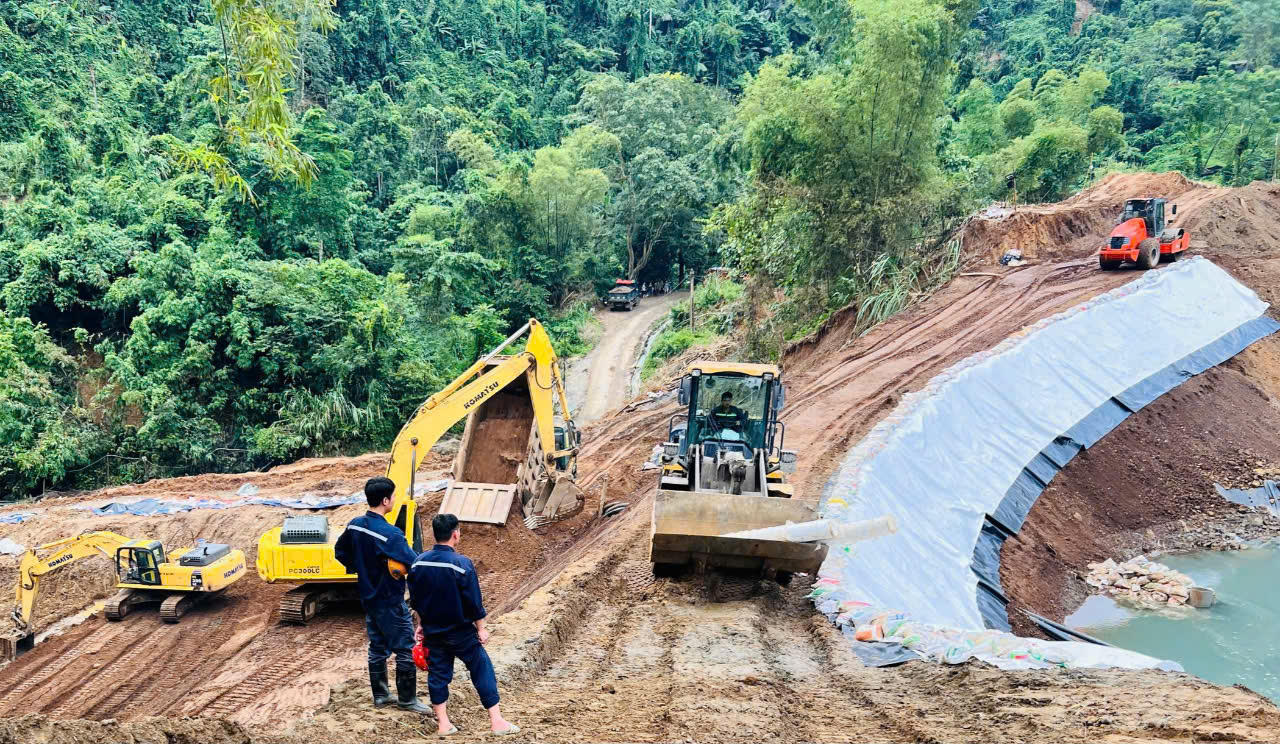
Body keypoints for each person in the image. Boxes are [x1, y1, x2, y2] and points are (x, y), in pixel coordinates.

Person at [408, 513, 519, 736]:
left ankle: (443, 724)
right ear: (455, 534)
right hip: (461, 632)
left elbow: (416, 599)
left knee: (438, 675)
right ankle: (497, 722)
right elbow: (474, 602)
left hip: (434, 632)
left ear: (435, 534)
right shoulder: (461, 565)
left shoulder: (418, 563)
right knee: (481, 668)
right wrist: (481, 628)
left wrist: (421, 624)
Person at [334, 476, 430, 713]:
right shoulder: (391, 534)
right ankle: (407, 699)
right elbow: (414, 564)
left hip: (367, 597)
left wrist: (361, 569)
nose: (395, 500)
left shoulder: (355, 524)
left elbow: (340, 551)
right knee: (405, 648)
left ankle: (380, 695)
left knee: (377, 647)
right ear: (386, 500)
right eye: (394, 496)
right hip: (389, 599)